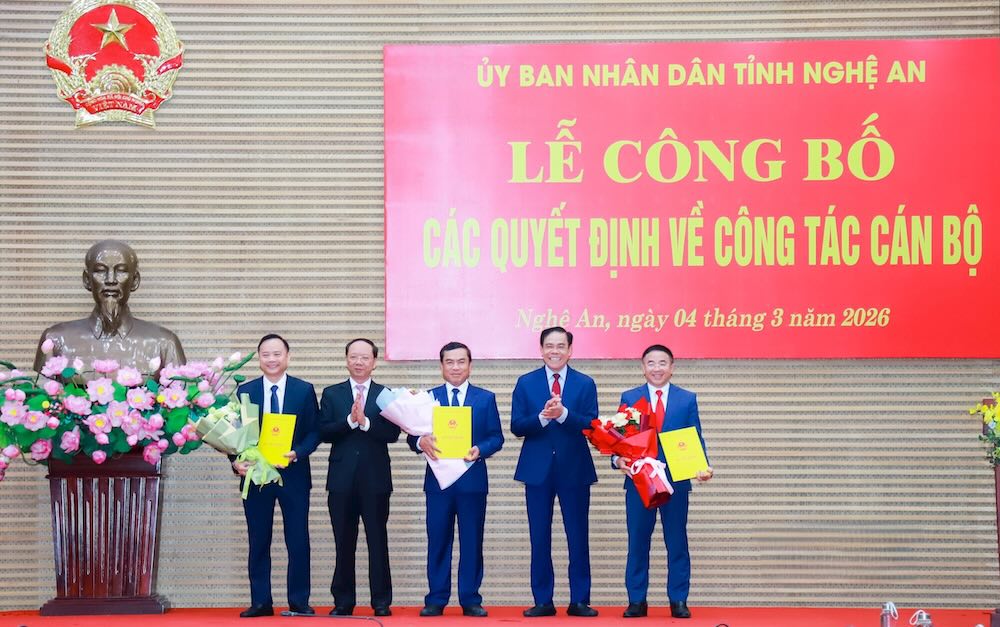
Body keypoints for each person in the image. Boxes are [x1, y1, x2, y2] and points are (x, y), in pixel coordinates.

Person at [613, 344, 713, 619]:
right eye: (651, 363)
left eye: (662, 363)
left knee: (677, 541)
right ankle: (636, 600)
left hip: (676, 484)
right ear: (643, 367)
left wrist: (702, 467)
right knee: (637, 542)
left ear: (672, 367)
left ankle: (678, 600)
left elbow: (695, 437)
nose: (656, 368)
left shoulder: (686, 399)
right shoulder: (630, 397)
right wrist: (617, 461)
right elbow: (621, 441)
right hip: (639, 484)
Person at [408, 342, 504, 618]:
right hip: (438, 484)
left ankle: (470, 598)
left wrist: (481, 450)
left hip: (472, 483)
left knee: (472, 541)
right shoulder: (428, 398)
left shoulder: (485, 398)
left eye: (461, 362)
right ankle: (436, 598)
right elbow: (411, 436)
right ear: (441, 366)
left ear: (470, 365)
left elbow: (496, 437)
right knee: (438, 540)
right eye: (449, 362)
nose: (455, 367)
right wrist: (420, 441)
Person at [510, 326, 599, 618]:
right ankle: (543, 600)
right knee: (539, 536)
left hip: (574, 470)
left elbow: (591, 426)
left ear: (570, 350)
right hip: (537, 471)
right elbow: (517, 426)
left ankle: (580, 600)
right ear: (541, 349)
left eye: (561, 346)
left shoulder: (585, 384)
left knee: (578, 536)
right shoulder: (526, 382)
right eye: (550, 345)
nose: (555, 351)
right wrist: (542, 418)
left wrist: (563, 415)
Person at [233, 334, 320, 618]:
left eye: (277, 354)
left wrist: (297, 452)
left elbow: (314, 432)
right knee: (258, 539)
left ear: (288, 357)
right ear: (259, 359)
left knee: (297, 540)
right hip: (256, 476)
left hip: (293, 475)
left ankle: (299, 601)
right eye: (265, 354)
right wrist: (236, 462)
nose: (271, 359)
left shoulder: (303, 390)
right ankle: (261, 602)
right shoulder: (246, 392)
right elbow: (235, 437)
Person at [319, 338, 401, 617]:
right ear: (346, 359)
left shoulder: (385, 394)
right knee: (344, 541)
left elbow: (392, 434)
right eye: (354, 357)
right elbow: (324, 432)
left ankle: (381, 601)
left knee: (378, 539)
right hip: (341, 479)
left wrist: (365, 422)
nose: (359, 362)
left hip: (376, 479)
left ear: (374, 362)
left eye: (365, 357)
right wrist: (350, 421)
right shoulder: (332, 393)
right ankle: (343, 600)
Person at [33, 240, 184, 372]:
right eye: (100, 271)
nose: (110, 280)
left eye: (121, 271)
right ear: (86, 279)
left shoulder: (164, 343)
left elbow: (180, 397)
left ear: (135, 280)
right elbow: (44, 399)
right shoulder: (55, 340)